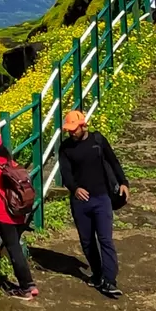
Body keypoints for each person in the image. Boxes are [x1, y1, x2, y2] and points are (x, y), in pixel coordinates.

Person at [57, 110, 129, 298]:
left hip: (101, 198)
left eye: (74, 129)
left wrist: (123, 182)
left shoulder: (98, 141)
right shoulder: (65, 148)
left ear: (83, 126)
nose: (71, 133)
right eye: (69, 130)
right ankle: (97, 274)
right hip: (80, 202)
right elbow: (66, 174)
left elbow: (113, 161)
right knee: (87, 242)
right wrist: (75, 188)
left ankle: (110, 280)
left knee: (105, 239)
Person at [0, 130, 38, 299]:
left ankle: (26, 287)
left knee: (13, 249)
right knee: (15, 245)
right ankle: (30, 285)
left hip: (3, 212)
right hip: (18, 210)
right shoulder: (10, 162)